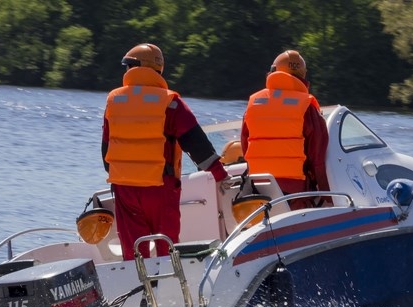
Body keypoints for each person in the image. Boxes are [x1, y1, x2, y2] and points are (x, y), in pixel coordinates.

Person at [101, 43, 228, 260]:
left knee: (133, 252)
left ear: (135, 68)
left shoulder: (114, 100)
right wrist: (220, 174)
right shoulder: (170, 102)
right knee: (166, 247)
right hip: (161, 187)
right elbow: (194, 141)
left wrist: (124, 174)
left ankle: (138, 291)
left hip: (125, 189)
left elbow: (106, 150)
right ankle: (167, 288)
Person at [240, 50, 329, 210]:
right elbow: (317, 157)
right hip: (295, 193)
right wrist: (326, 192)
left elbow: (246, 147)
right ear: (303, 76)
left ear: (272, 72)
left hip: (258, 189)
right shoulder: (306, 106)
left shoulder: (253, 103)